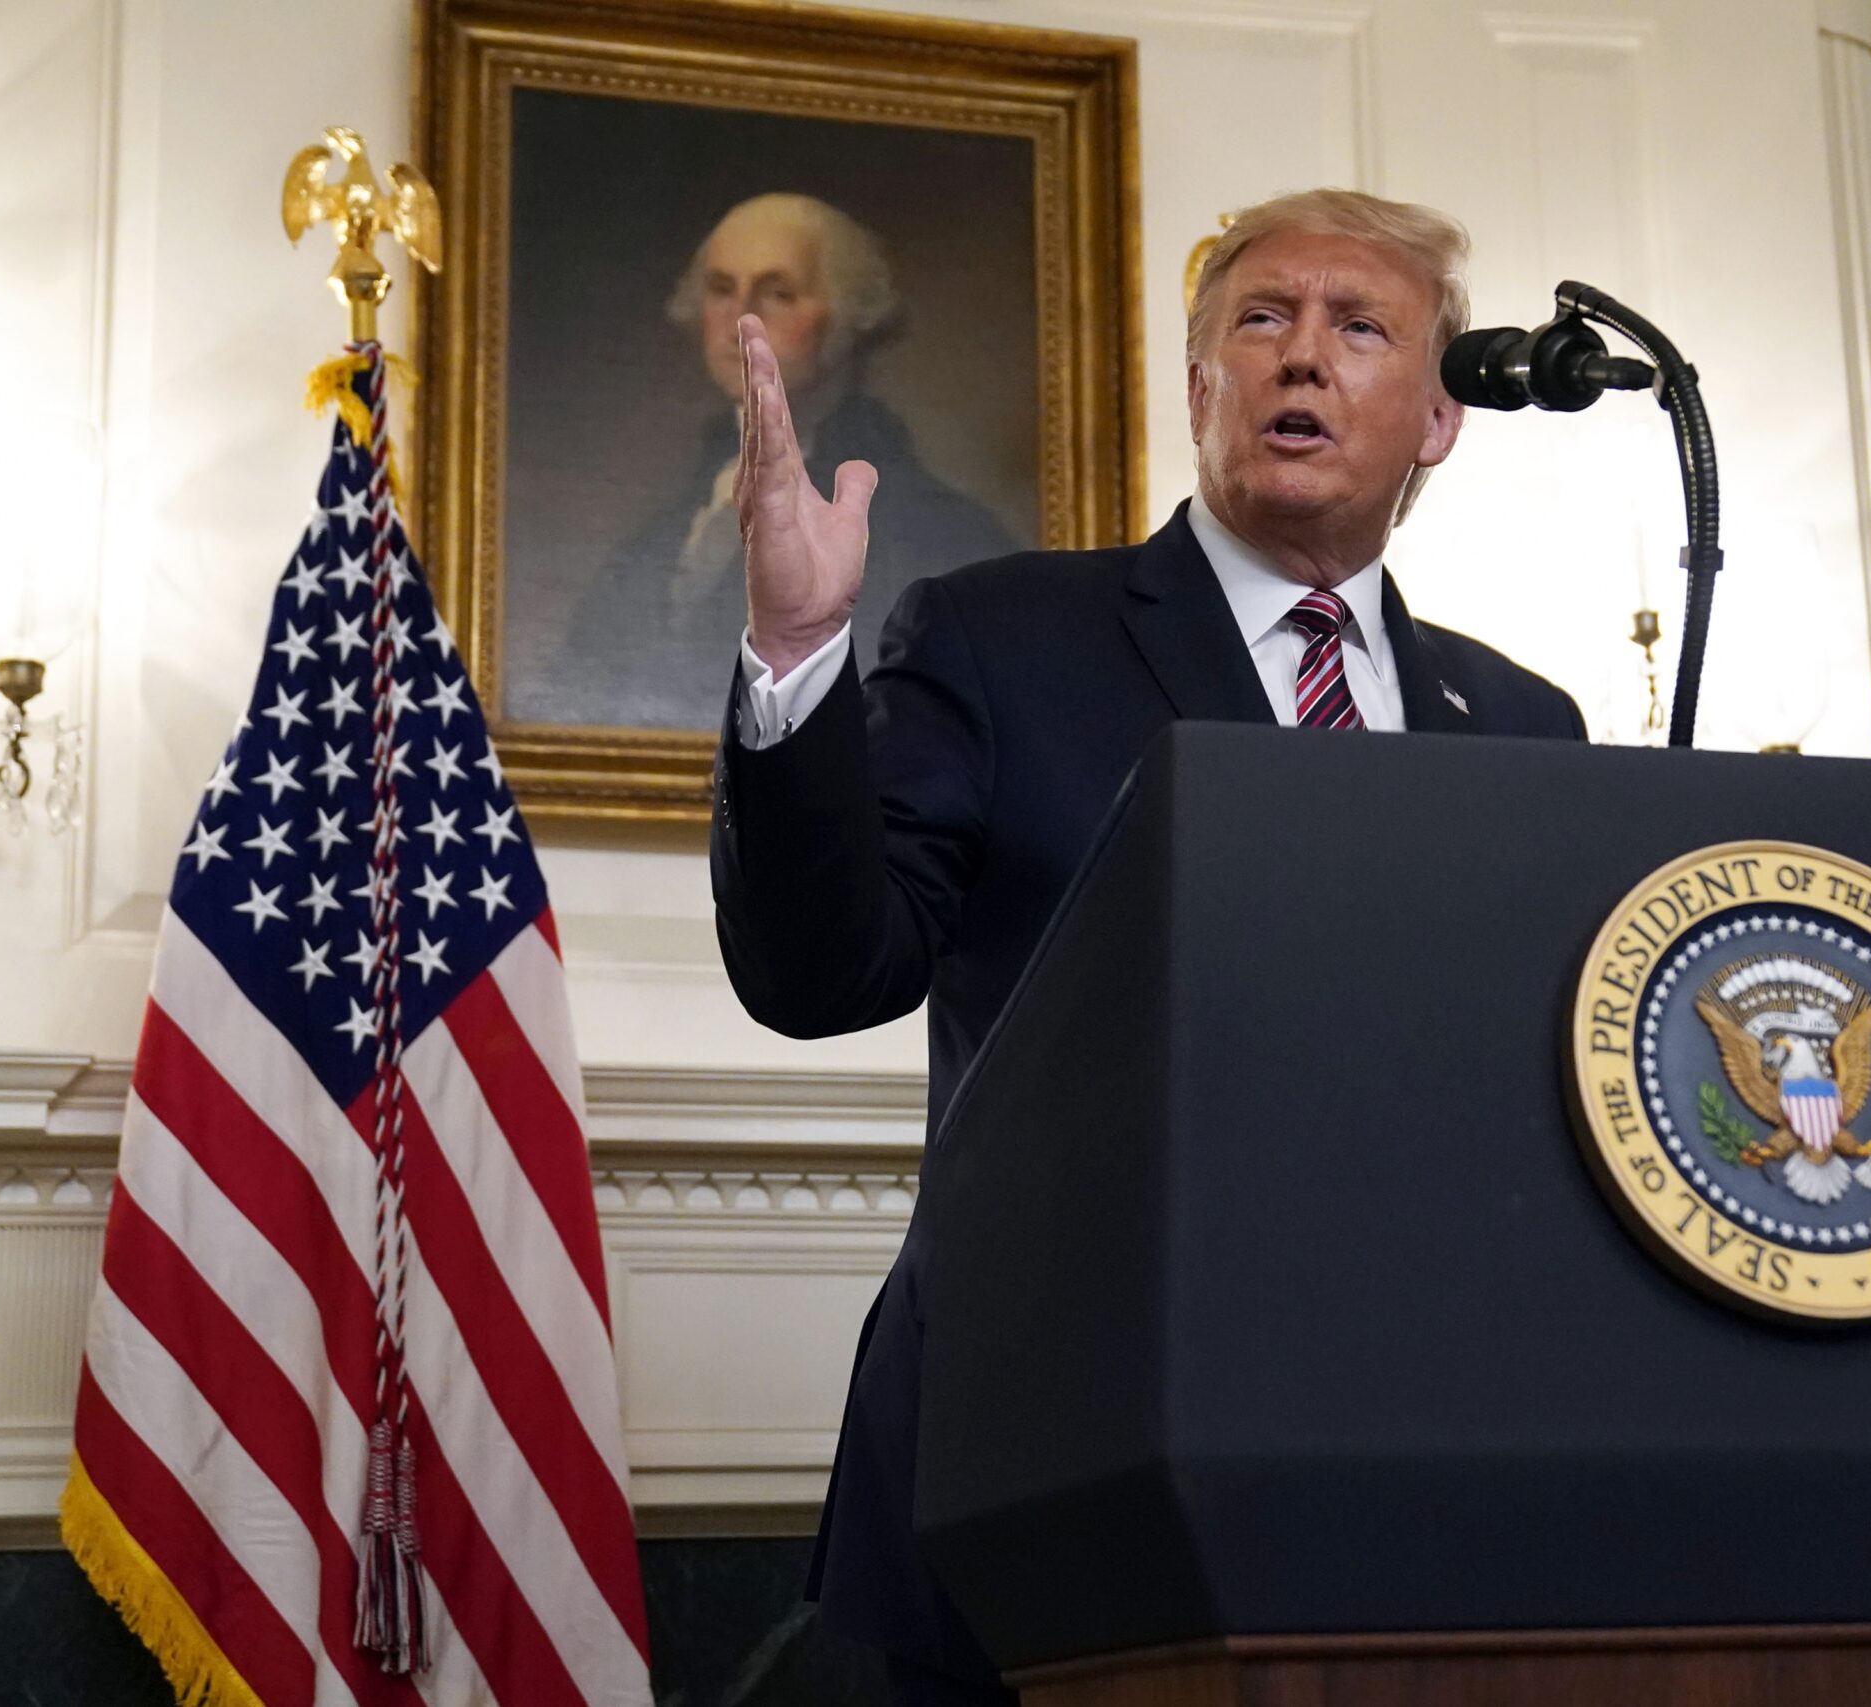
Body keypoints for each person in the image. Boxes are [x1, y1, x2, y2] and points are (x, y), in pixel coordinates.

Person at [710, 188, 1587, 1703]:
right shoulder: (1001, 634)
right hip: (1049, 1459)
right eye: (1261, 321)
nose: (1300, 359)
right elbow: (820, 972)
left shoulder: (1519, 720)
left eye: (1358, 327)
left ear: (1438, 417)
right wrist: (795, 659)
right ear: (1199, 387)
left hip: (1409, 1459)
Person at [523, 193, 1013, 729]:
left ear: (850, 318)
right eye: (720, 289)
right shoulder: (670, 526)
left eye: (778, 293)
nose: (740, 318)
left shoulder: (931, 529)